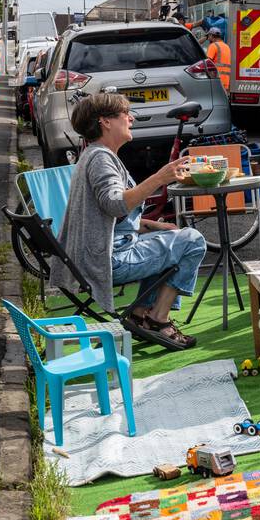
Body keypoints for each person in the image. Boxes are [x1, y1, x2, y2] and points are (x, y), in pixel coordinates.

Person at [51, 92, 205, 352]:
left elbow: (114, 216)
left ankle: (140, 313)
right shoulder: (100, 158)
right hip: (108, 260)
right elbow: (114, 203)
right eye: (125, 114)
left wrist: (154, 225)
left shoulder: (95, 155)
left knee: (171, 238)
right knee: (193, 241)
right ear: (106, 122)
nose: (131, 118)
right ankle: (158, 319)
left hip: (97, 254)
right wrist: (159, 178)